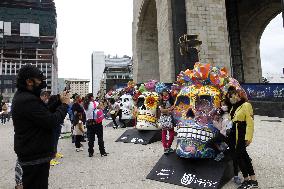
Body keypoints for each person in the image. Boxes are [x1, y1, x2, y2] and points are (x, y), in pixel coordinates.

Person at [12, 65, 70, 189]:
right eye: (39, 79)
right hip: (34, 157)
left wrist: (58, 100)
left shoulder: (24, 97)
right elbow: (51, 121)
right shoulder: (27, 100)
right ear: (29, 81)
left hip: (33, 154)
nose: (42, 83)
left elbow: (44, 113)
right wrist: (64, 105)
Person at [228, 87, 258, 189]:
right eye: (229, 97)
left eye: (231, 96)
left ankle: (249, 180)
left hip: (241, 133)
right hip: (233, 134)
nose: (230, 98)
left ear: (237, 95)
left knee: (241, 156)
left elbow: (250, 123)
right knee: (242, 156)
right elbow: (231, 120)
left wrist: (248, 137)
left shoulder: (246, 105)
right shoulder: (233, 107)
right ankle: (251, 180)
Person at [159, 89, 175, 154]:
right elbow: (162, 110)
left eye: (166, 94)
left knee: (165, 133)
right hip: (168, 118)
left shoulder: (161, 101)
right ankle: (167, 147)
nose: (165, 96)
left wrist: (167, 110)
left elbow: (162, 110)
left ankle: (166, 148)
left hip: (164, 118)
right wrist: (169, 109)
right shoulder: (171, 100)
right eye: (164, 95)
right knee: (170, 132)